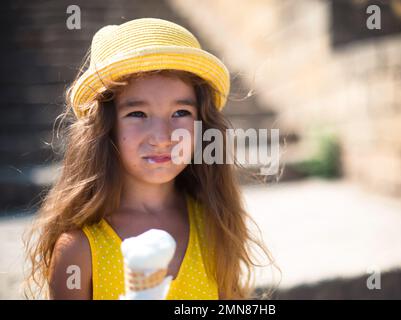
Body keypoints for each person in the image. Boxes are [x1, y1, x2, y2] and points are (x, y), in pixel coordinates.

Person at [24, 18, 274, 300]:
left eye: (181, 113)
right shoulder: (79, 250)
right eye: (137, 114)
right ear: (106, 129)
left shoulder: (215, 224)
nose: (162, 136)